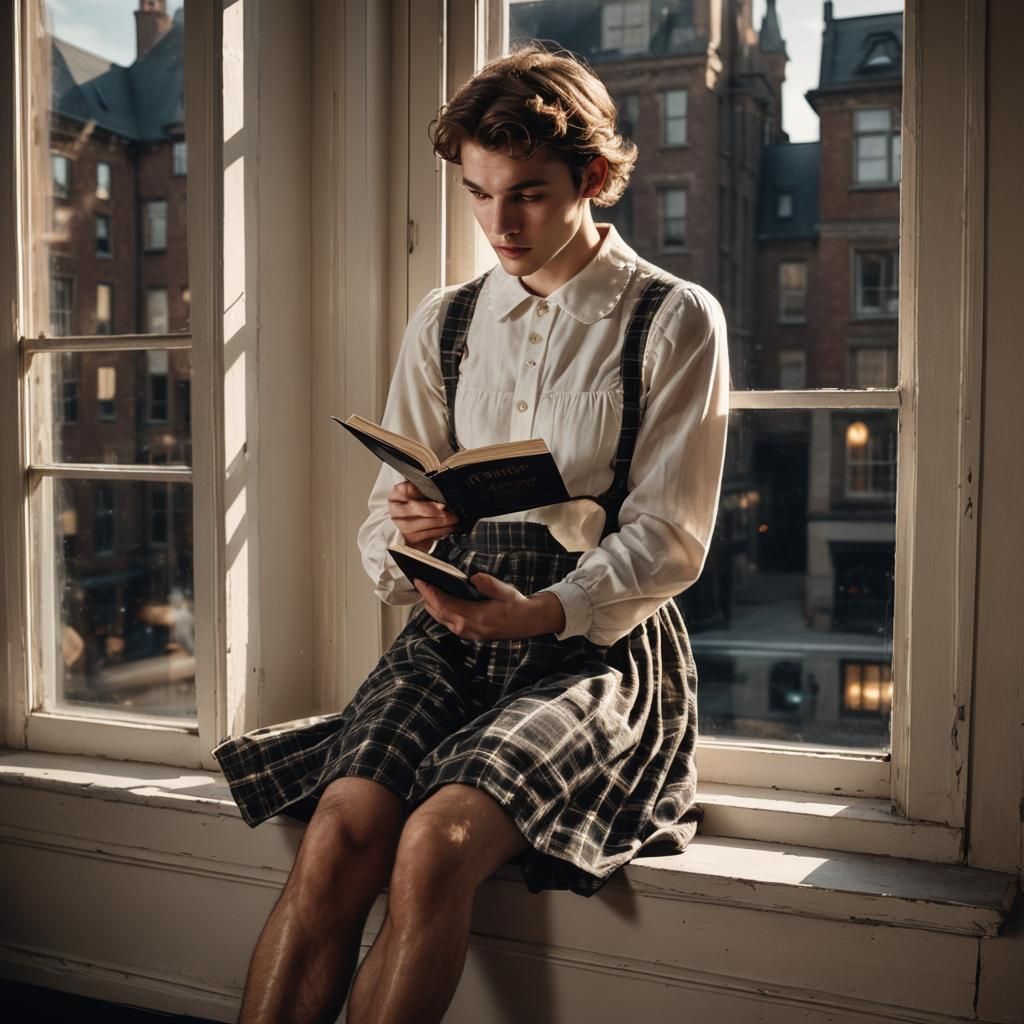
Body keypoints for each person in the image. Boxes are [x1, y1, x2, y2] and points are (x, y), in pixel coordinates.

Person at [212, 43, 730, 1024]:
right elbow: (382, 517)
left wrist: (540, 611)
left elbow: (670, 536)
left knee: (437, 839)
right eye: (479, 193)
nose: (499, 224)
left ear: (593, 176)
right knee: (341, 831)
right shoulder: (445, 321)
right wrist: (408, 532)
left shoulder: (671, 319)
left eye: (527, 193)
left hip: (595, 646)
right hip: (455, 625)